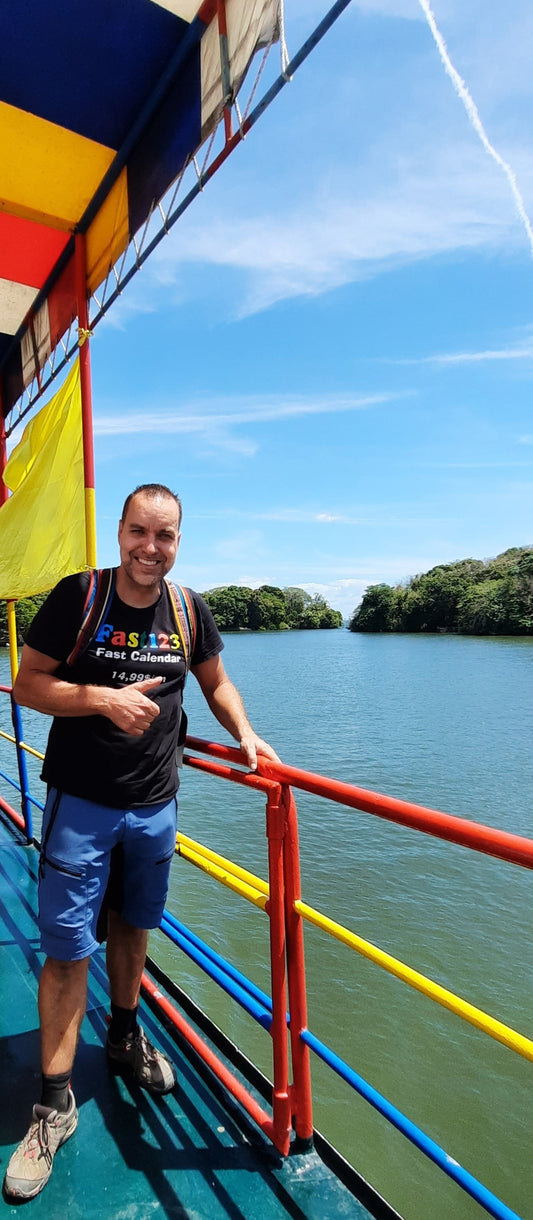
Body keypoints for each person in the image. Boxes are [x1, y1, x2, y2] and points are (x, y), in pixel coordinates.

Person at [4, 483, 279, 1201]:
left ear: (178, 541)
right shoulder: (80, 597)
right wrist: (99, 697)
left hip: (155, 807)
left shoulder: (188, 610)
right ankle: (52, 1106)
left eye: (164, 536)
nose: (149, 548)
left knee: (134, 927)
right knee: (67, 951)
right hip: (81, 806)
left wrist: (243, 732)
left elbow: (216, 684)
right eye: (138, 532)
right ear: (119, 531)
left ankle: (124, 1037)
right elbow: (27, 685)